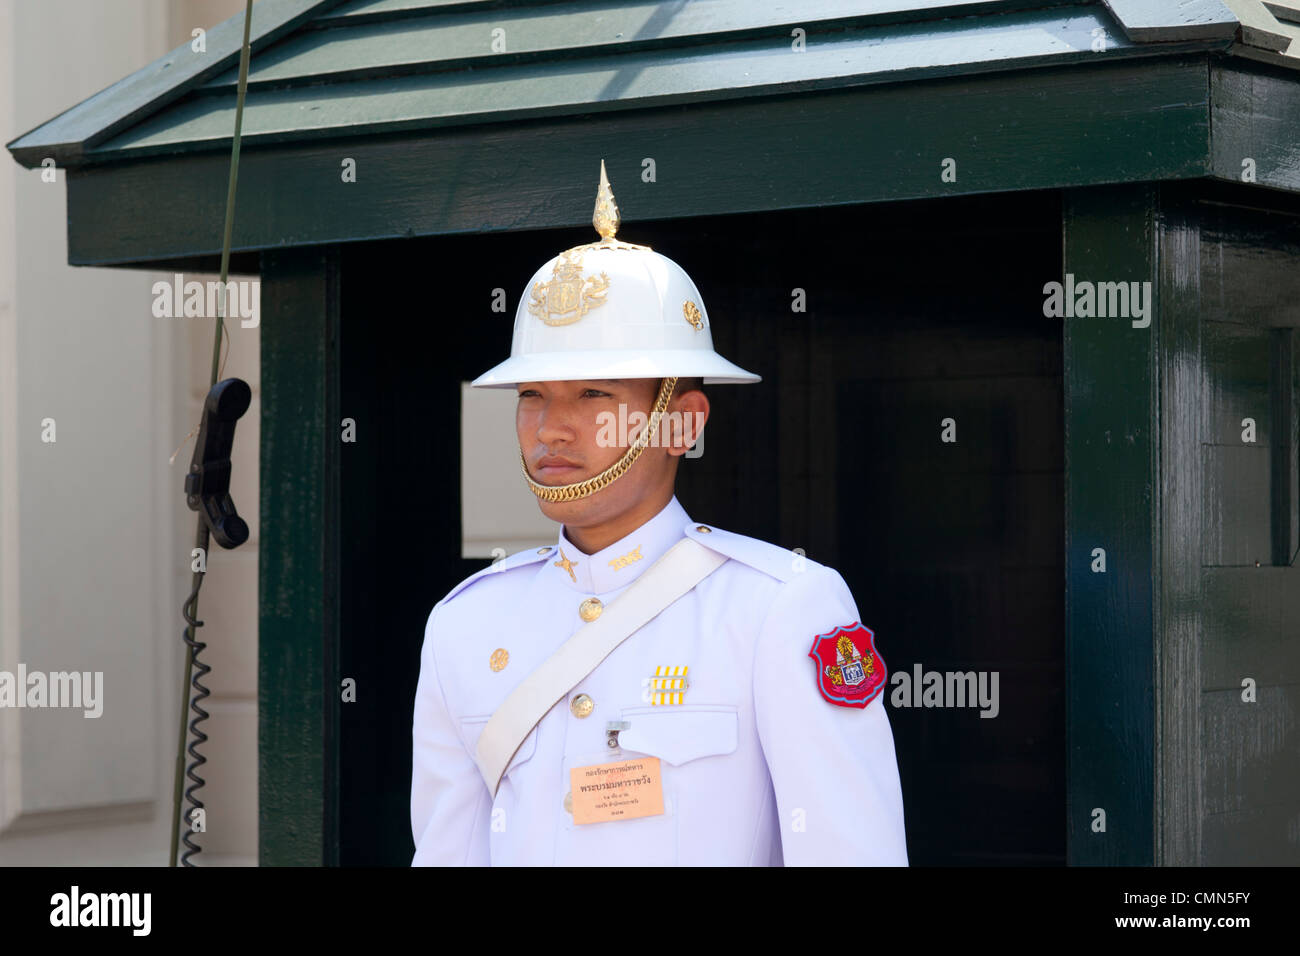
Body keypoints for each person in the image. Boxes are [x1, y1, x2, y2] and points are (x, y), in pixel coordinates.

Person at [410, 162, 907, 866]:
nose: (551, 428)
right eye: (532, 395)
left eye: (591, 395)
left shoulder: (778, 608)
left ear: (681, 422)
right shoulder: (465, 624)